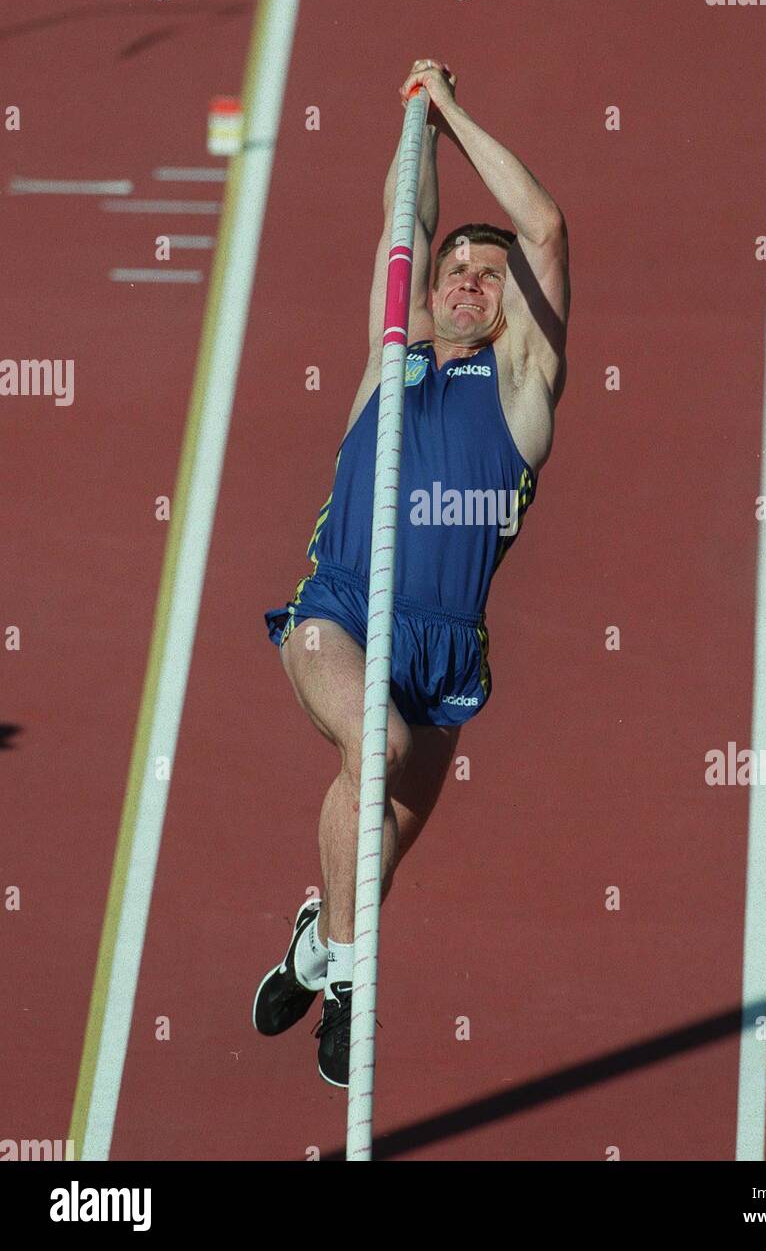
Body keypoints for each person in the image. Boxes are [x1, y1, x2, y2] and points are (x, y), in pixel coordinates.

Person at [254, 59, 570, 1088]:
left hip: (443, 651)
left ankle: (318, 939)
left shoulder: (520, 391)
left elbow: (547, 229)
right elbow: (407, 220)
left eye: (488, 273)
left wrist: (455, 110)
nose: (470, 280)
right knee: (373, 745)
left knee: (373, 841)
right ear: (426, 297)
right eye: (453, 272)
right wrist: (418, 128)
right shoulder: (387, 369)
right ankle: (348, 987)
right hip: (338, 610)